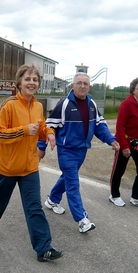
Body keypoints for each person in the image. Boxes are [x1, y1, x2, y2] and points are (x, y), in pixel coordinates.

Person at [0, 63, 63, 262]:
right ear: (19, 83)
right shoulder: (8, 105)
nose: (31, 82)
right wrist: (23, 131)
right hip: (7, 168)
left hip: (30, 167)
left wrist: (50, 134)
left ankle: (43, 247)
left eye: (35, 80)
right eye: (27, 79)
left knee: (34, 207)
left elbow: (42, 126)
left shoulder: (38, 106)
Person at [43, 72, 120, 233]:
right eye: (79, 83)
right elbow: (49, 125)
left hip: (82, 151)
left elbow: (99, 125)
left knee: (67, 177)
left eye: (85, 83)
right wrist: (40, 147)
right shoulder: (64, 104)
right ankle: (82, 219)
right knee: (73, 183)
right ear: (73, 85)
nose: (82, 86)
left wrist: (110, 140)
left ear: (89, 86)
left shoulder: (91, 103)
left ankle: (52, 200)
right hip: (66, 151)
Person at [109, 77, 138, 209]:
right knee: (119, 170)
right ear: (133, 90)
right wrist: (124, 146)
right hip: (125, 142)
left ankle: (136, 196)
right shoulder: (126, 104)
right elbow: (120, 126)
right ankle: (114, 195)